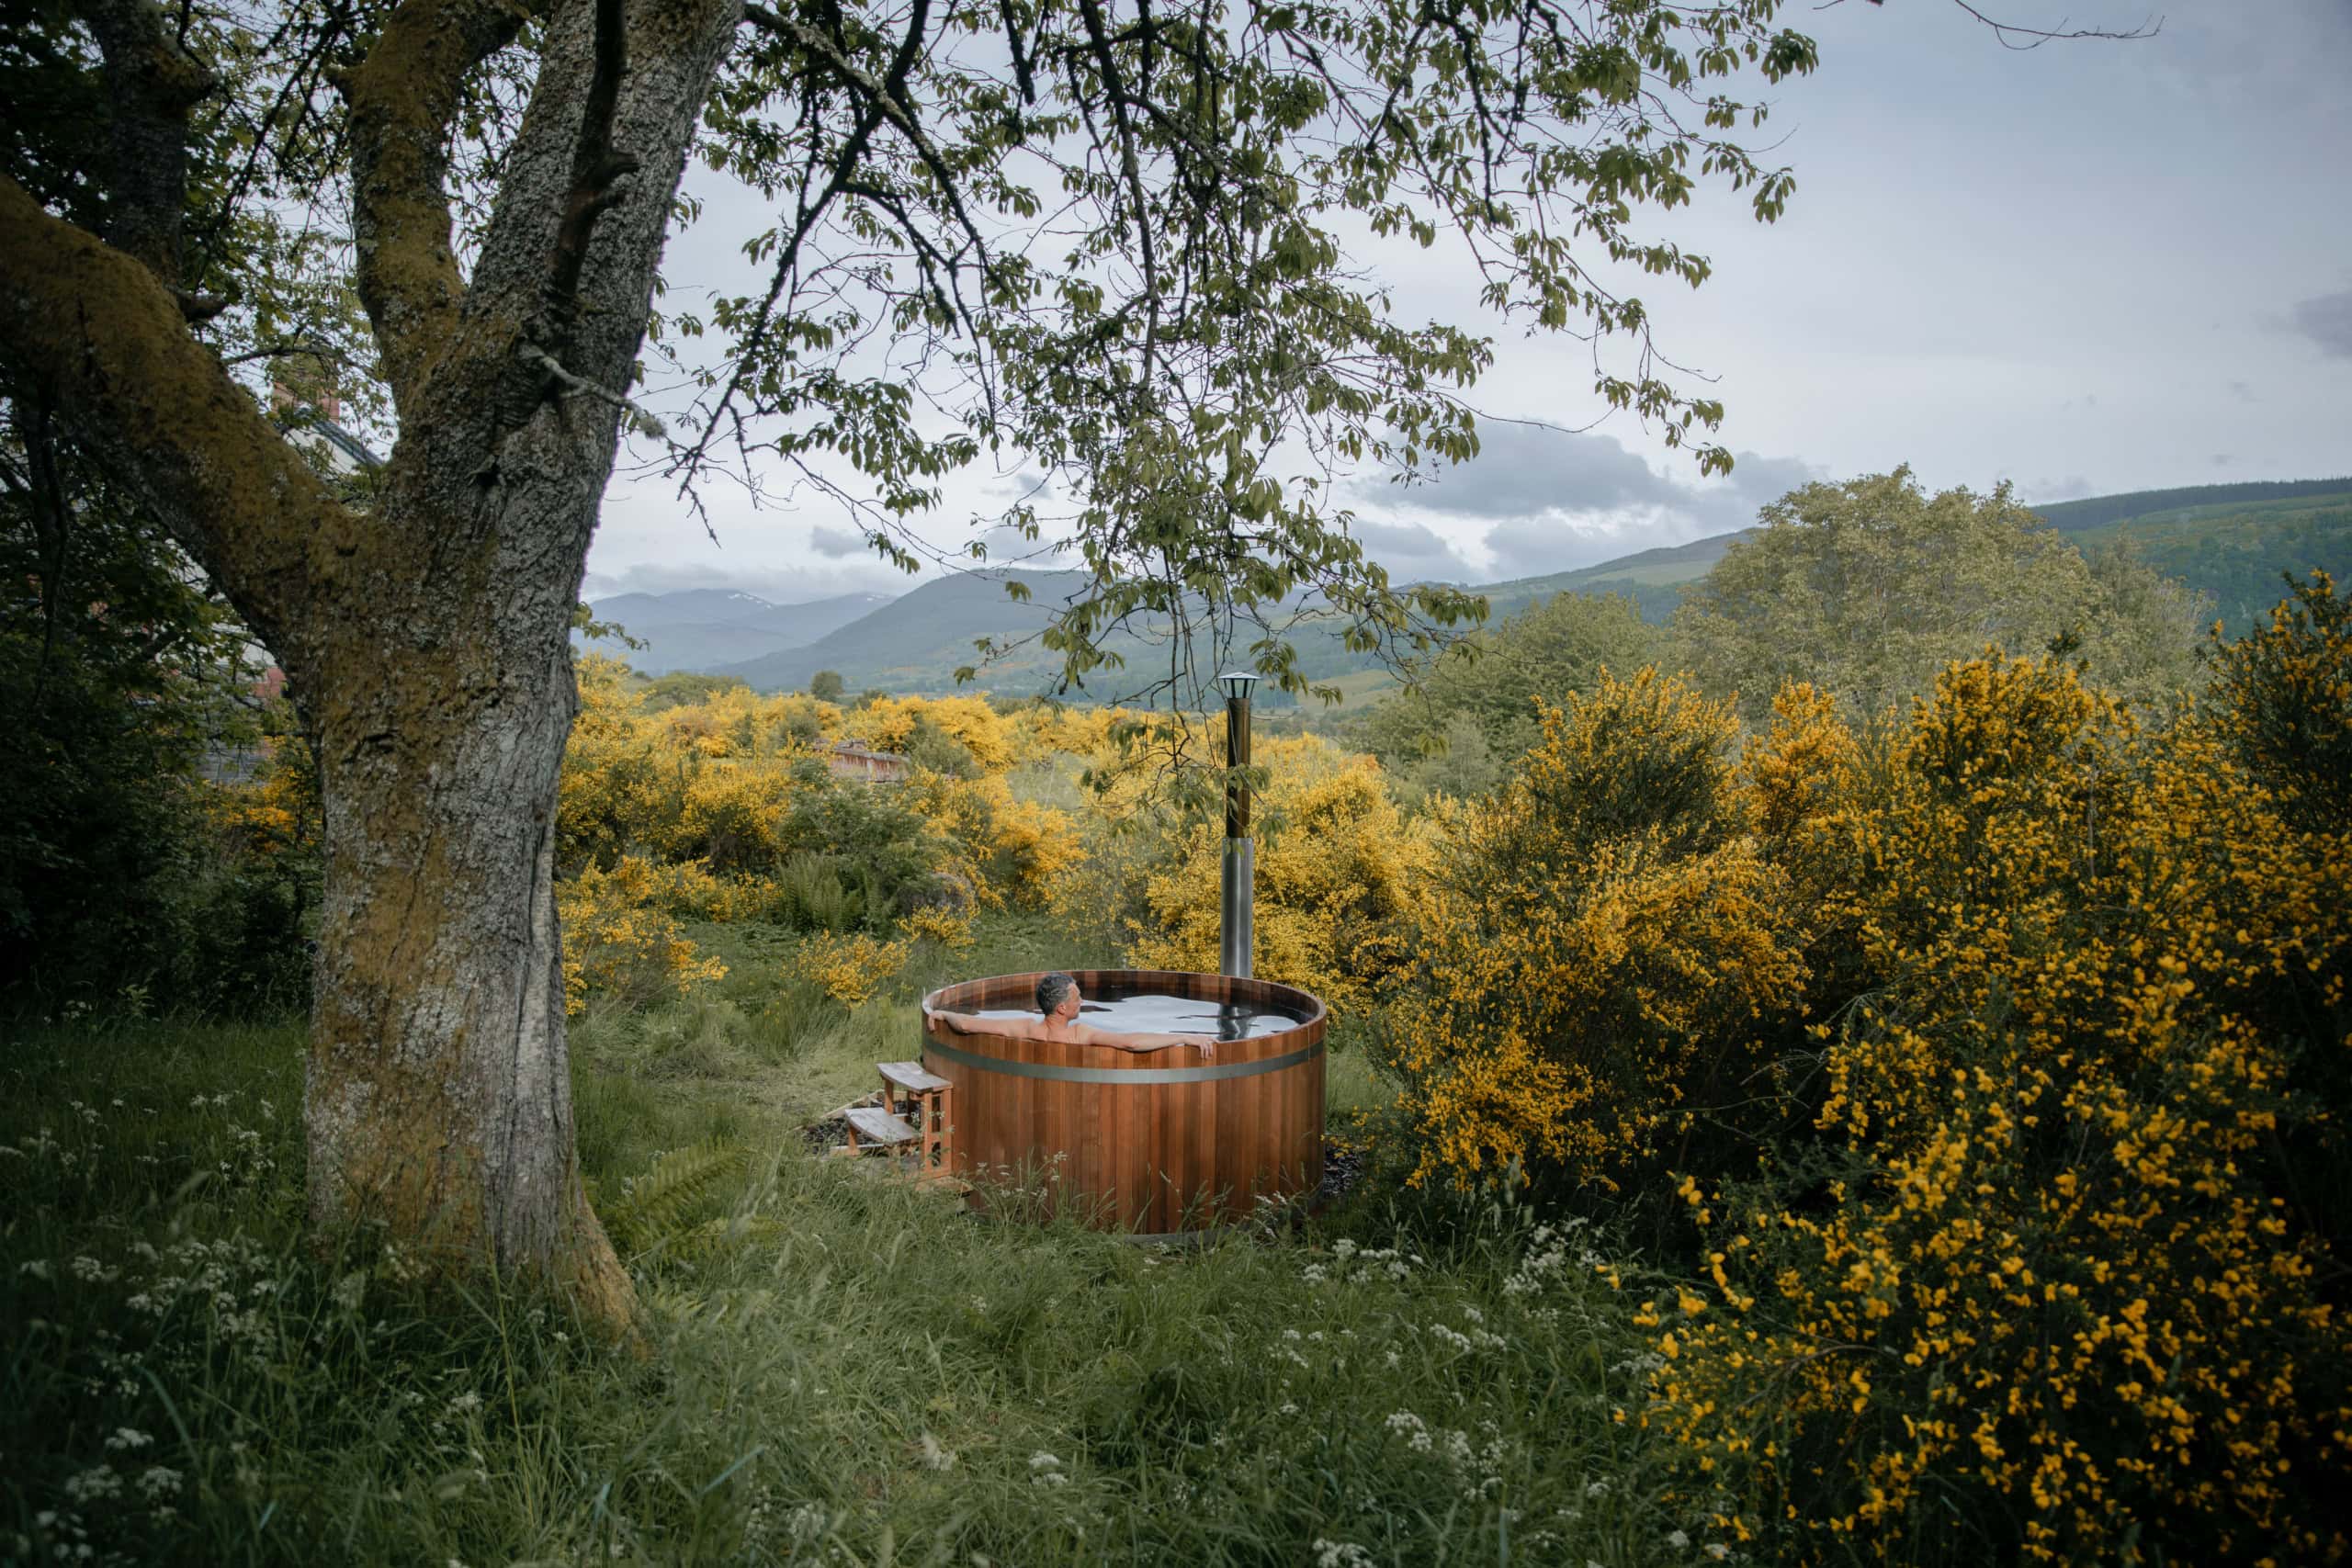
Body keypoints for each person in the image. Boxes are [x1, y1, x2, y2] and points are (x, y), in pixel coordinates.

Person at [933, 971, 1216, 1059]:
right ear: (1062, 1009)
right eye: (1077, 997)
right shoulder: (1079, 1034)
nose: (1083, 1000)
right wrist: (1185, 1036)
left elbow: (967, 1024)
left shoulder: (1023, 1028)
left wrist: (943, 1014)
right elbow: (1131, 1042)